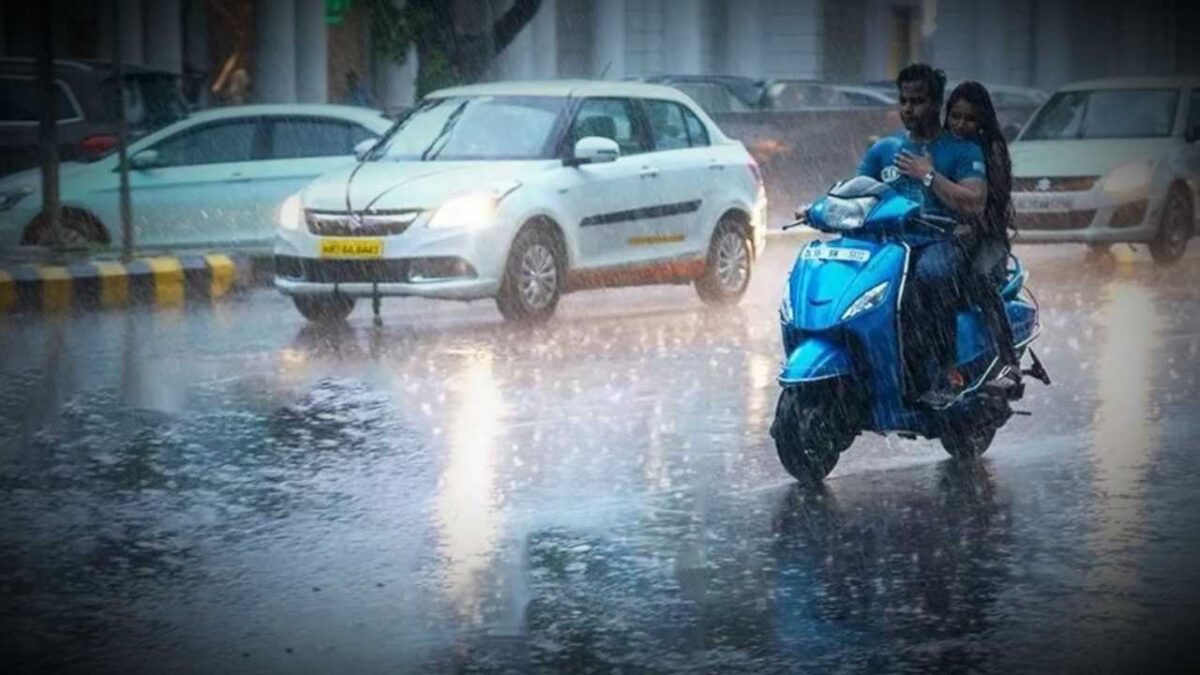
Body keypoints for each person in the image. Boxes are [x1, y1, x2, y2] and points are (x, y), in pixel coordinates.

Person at [857, 63, 987, 407]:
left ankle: (944, 373)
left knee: (925, 279)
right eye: (903, 100)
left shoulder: (961, 150)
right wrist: (816, 206)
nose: (908, 109)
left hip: (943, 243)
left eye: (917, 101)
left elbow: (974, 201)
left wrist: (928, 175)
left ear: (936, 104)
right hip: (892, 247)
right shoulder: (884, 150)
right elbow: (855, 191)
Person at [943, 81, 1022, 382]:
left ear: (982, 121)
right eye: (955, 116)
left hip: (987, 239)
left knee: (979, 281)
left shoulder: (992, 150)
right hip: (947, 237)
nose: (961, 125)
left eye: (969, 119)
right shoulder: (940, 147)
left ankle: (1008, 360)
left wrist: (970, 225)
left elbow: (993, 202)